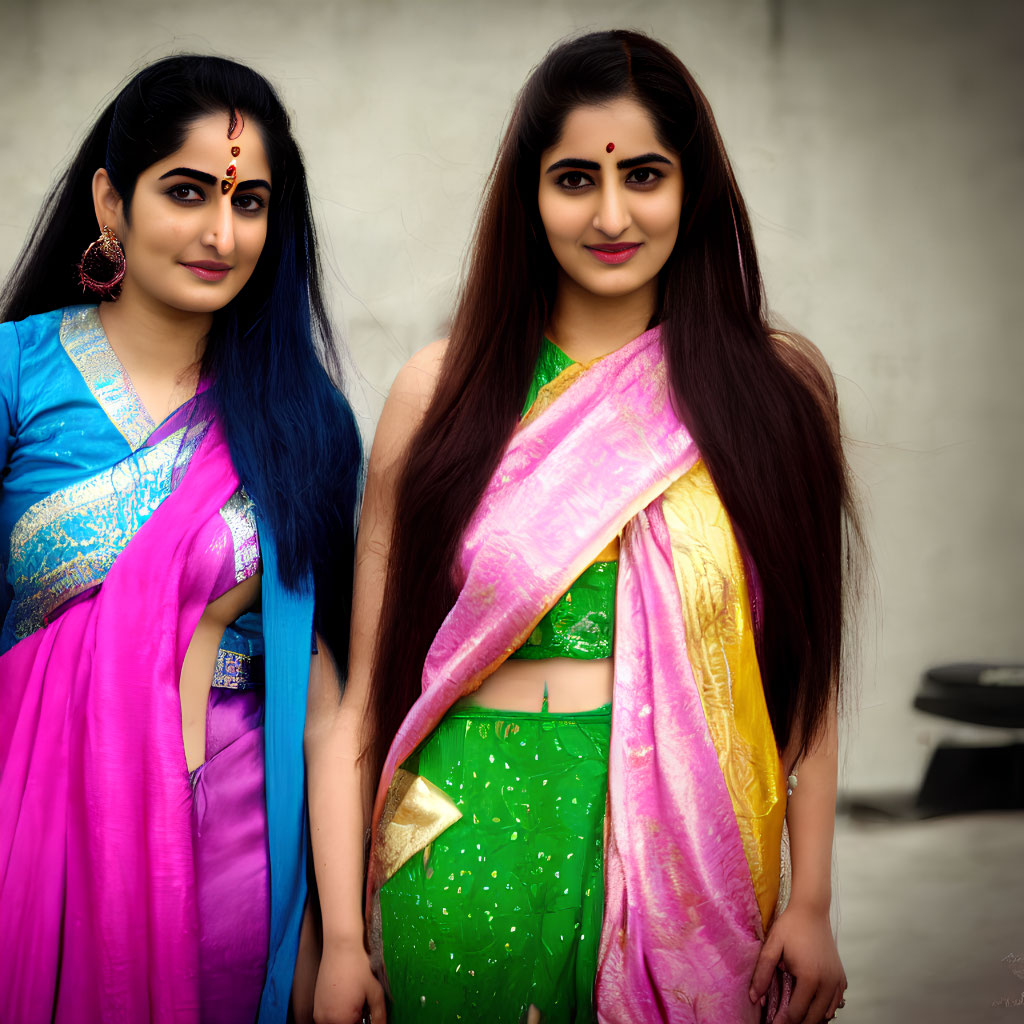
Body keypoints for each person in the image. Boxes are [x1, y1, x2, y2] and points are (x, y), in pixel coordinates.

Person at [309, 29, 857, 1024]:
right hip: (464, 842)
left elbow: (805, 676)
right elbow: (360, 702)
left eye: (643, 175)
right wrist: (343, 940)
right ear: (530, 197)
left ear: (693, 188)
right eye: (573, 179)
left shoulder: (774, 393)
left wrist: (812, 899)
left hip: (699, 858)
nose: (611, 214)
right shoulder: (440, 393)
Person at [0, 55, 360, 1023]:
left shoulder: (304, 422)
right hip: (32, 836)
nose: (219, 232)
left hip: (235, 844)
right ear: (110, 202)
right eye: (188, 192)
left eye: (250, 202)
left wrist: (344, 944)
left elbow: (328, 694)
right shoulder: (17, 375)